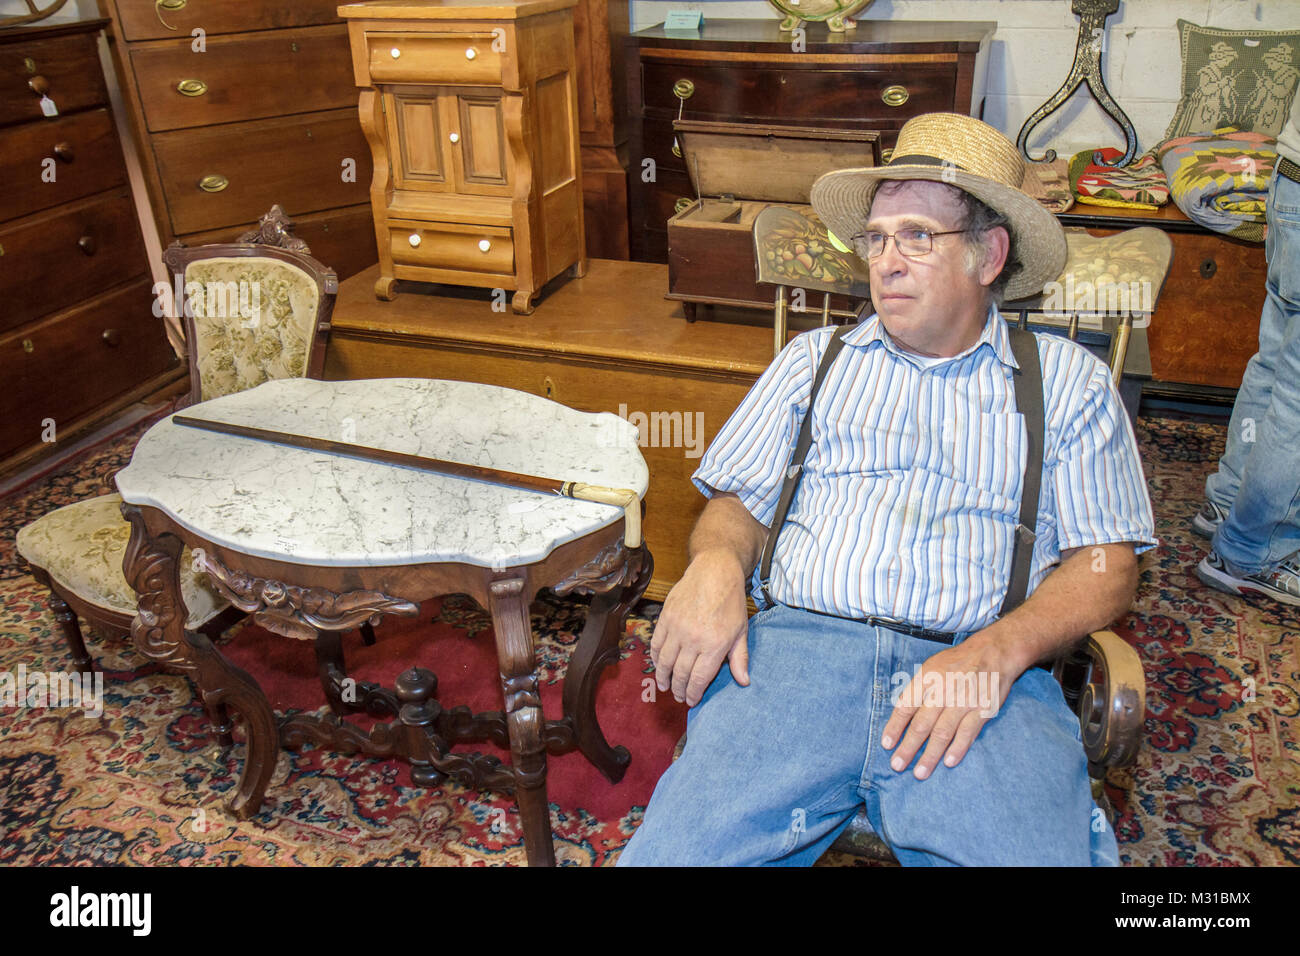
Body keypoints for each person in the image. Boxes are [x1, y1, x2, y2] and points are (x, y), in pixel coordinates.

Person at [617, 113, 1156, 867]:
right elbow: (737, 506)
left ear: (988, 254)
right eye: (876, 238)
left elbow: (1110, 564)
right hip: (796, 660)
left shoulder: (1069, 384)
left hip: (980, 676)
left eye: (916, 237)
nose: (886, 262)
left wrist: (1000, 653)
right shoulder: (814, 360)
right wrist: (714, 565)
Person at [1193, 91, 1300, 607]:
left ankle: (1229, 502)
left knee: (1276, 363)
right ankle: (1255, 550)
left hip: (1293, 180)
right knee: (1295, 393)